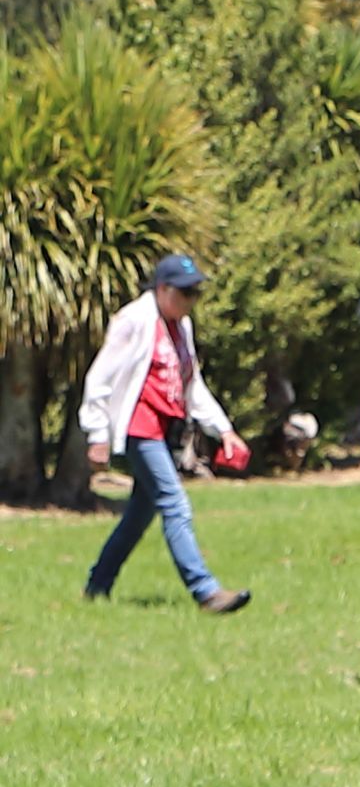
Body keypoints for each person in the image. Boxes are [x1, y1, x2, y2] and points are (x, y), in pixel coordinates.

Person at [80, 253, 251, 613]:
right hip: (139, 427)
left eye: (196, 294)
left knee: (139, 515)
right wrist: (97, 433)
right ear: (162, 289)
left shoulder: (181, 326)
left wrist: (224, 429)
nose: (191, 301)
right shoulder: (134, 320)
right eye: (185, 293)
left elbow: (192, 385)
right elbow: (99, 378)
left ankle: (97, 588)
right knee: (175, 502)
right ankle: (206, 592)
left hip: (165, 428)